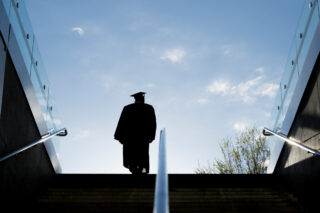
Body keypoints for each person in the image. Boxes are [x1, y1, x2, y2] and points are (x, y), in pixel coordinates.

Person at [114, 92, 157, 174]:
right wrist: (151, 136)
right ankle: (142, 169)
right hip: (143, 137)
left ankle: (134, 169)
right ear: (143, 99)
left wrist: (119, 136)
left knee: (132, 155)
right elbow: (152, 123)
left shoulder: (127, 108)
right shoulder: (149, 108)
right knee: (142, 154)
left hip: (130, 137)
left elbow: (122, 122)